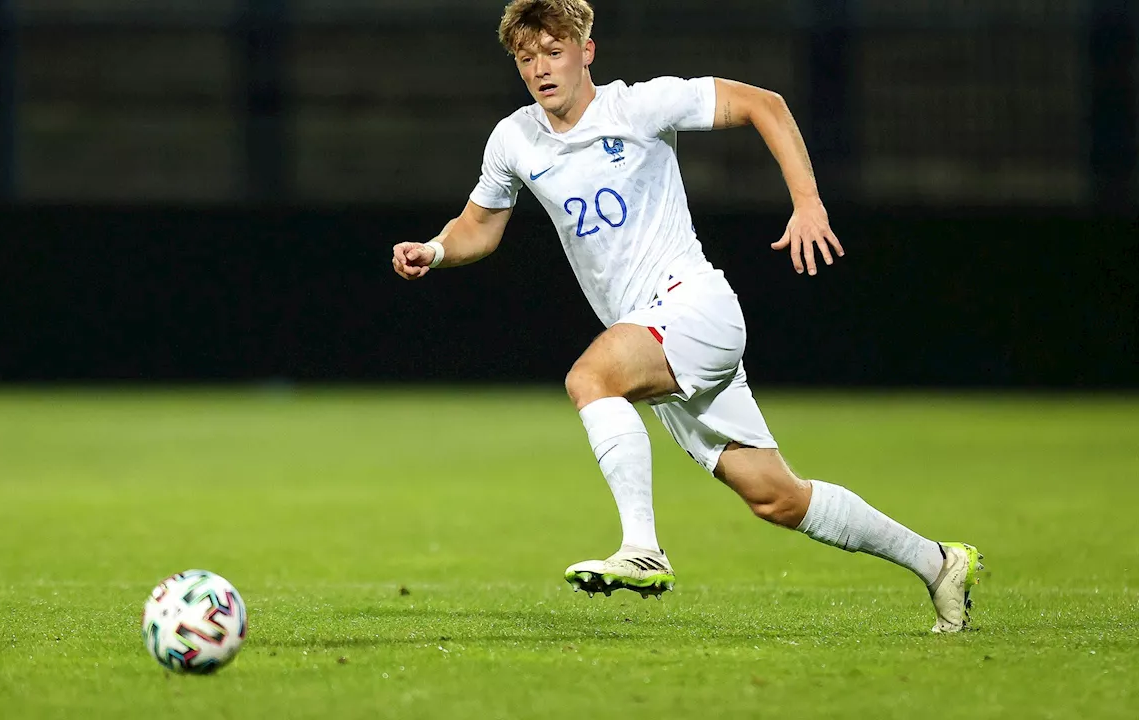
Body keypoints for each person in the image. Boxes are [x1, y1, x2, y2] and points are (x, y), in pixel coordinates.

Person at [390, 0, 982, 632]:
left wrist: (807, 203)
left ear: (586, 51)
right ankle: (938, 561)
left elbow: (766, 104)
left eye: (554, 51)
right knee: (776, 497)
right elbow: (479, 225)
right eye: (527, 57)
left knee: (590, 378)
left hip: (693, 306)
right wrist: (436, 249)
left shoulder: (640, 107)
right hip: (657, 336)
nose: (541, 68)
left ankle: (642, 548)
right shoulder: (516, 138)